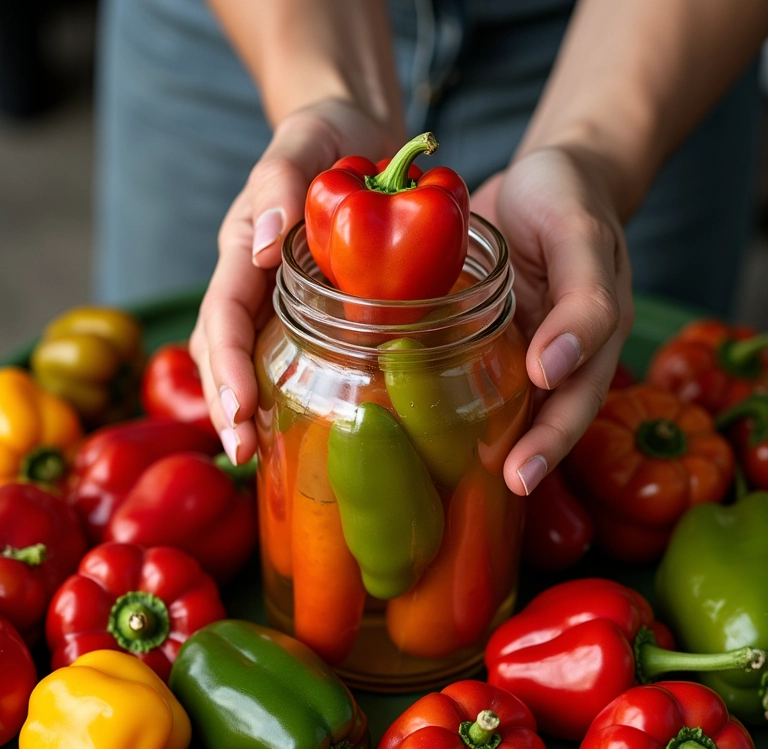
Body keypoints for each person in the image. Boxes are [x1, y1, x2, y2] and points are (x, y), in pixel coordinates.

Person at [94, 0, 768, 496]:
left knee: (589, 387)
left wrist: (593, 153)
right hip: (248, 29)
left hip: (655, 36)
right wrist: (328, 94)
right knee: (181, 390)